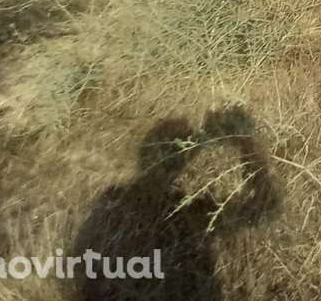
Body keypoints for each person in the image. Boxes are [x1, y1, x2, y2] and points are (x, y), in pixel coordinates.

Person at [69, 106, 278, 300]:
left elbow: (81, 268)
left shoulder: (114, 202)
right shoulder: (187, 213)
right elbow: (266, 207)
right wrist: (246, 143)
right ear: (185, 159)